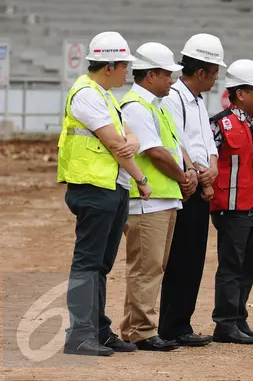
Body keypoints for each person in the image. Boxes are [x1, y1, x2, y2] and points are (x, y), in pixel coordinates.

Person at [58, 31, 151, 356]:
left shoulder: (106, 96)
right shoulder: (86, 94)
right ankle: (80, 334)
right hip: (94, 187)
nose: (128, 72)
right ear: (110, 65)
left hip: (111, 187)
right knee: (88, 262)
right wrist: (141, 178)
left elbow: (131, 137)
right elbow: (116, 142)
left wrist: (130, 143)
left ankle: (97, 328)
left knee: (100, 264)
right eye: (125, 65)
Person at [118, 42, 197, 351]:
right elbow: (154, 151)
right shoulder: (137, 106)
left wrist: (187, 171)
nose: (172, 81)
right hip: (147, 201)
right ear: (151, 75)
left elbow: (176, 146)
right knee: (146, 268)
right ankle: (141, 331)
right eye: (167, 75)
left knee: (152, 267)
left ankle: (137, 327)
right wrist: (183, 176)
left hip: (162, 198)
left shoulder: (156, 106)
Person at [159, 33, 226, 346]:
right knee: (181, 258)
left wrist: (211, 167)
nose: (216, 79)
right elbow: (177, 141)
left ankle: (181, 323)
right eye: (214, 73)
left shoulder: (198, 101)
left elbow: (207, 143)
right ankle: (171, 325)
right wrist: (200, 172)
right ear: (201, 72)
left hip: (200, 184)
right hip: (185, 187)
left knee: (195, 258)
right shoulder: (174, 98)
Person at [208, 59, 253, 345]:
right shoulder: (219, 124)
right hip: (232, 207)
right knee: (231, 266)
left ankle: (239, 318)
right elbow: (207, 161)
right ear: (239, 93)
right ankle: (224, 323)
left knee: (250, 266)